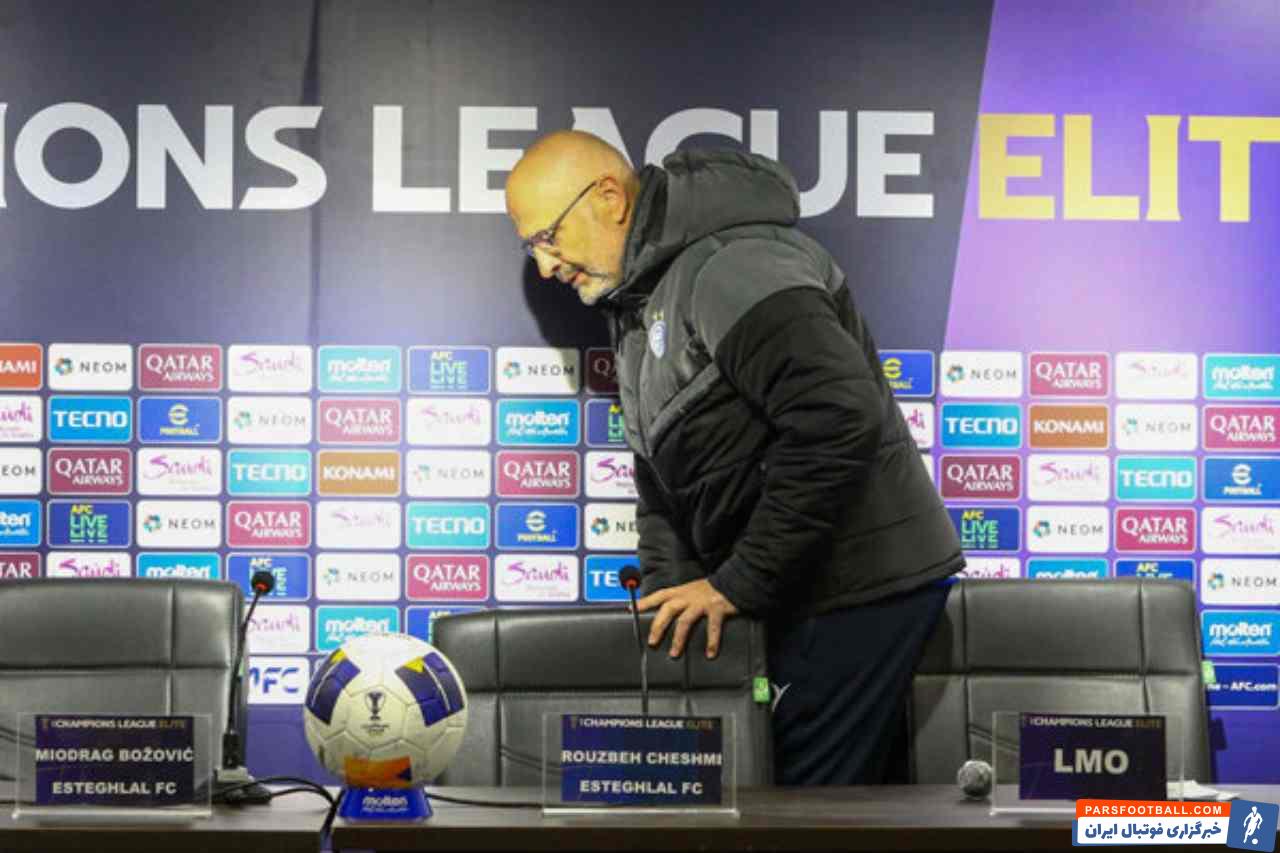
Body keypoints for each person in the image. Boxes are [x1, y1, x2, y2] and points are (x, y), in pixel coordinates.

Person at [505, 130, 965, 785]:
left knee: (798, 820)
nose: (546, 266)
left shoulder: (732, 263)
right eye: (531, 248)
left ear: (609, 198)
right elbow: (660, 484)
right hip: (799, 599)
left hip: (854, 594)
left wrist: (737, 583)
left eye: (547, 238)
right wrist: (668, 610)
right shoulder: (639, 304)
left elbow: (837, 418)